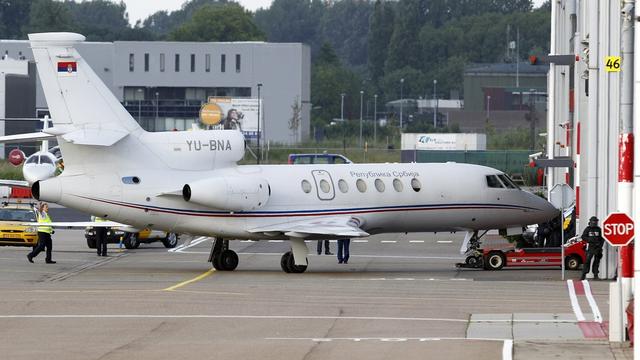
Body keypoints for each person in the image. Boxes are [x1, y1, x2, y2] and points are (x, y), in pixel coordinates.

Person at [580, 216, 605, 280]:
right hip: (590, 247)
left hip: (598, 248)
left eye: (595, 221)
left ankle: (595, 275)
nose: (594, 222)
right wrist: (589, 240)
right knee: (587, 261)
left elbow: (602, 238)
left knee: (596, 262)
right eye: (593, 221)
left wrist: (600, 245)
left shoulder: (599, 229)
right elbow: (583, 237)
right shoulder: (587, 229)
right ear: (590, 222)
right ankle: (584, 275)